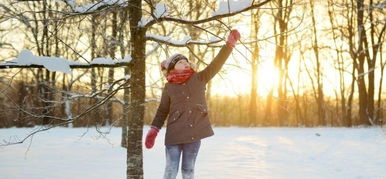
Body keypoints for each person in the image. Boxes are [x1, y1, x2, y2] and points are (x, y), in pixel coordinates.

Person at [145, 29, 241, 179]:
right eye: (180, 62)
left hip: (194, 135)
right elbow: (162, 110)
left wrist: (229, 45)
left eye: (186, 61)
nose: (185, 63)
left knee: (188, 170)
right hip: (174, 135)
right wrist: (154, 130)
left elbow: (216, 64)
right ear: (172, 68)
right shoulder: (169, 87)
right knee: (170, 171)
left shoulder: (199, 78)